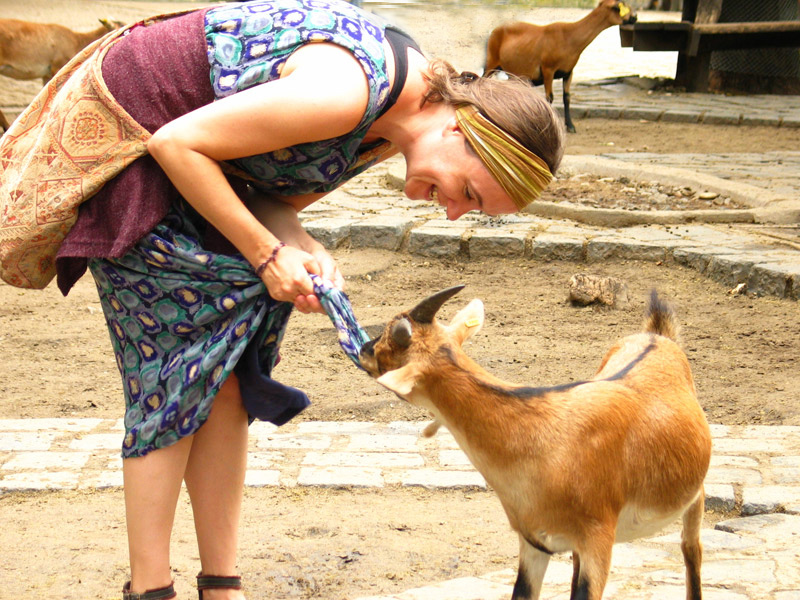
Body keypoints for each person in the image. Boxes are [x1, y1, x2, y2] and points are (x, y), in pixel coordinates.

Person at [24, 0, 564, 598]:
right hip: (138, 149)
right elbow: (177, 144)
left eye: (471, 209)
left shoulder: (387, 130)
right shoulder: (349, 91)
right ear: (461, 130)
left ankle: (221, 585)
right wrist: (263, 254)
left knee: (229, 374)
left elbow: (256, 189)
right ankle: (151, 587)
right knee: (172, 376)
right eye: (467, 190)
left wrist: (297, 241)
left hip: (192, 171)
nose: (453, 209)